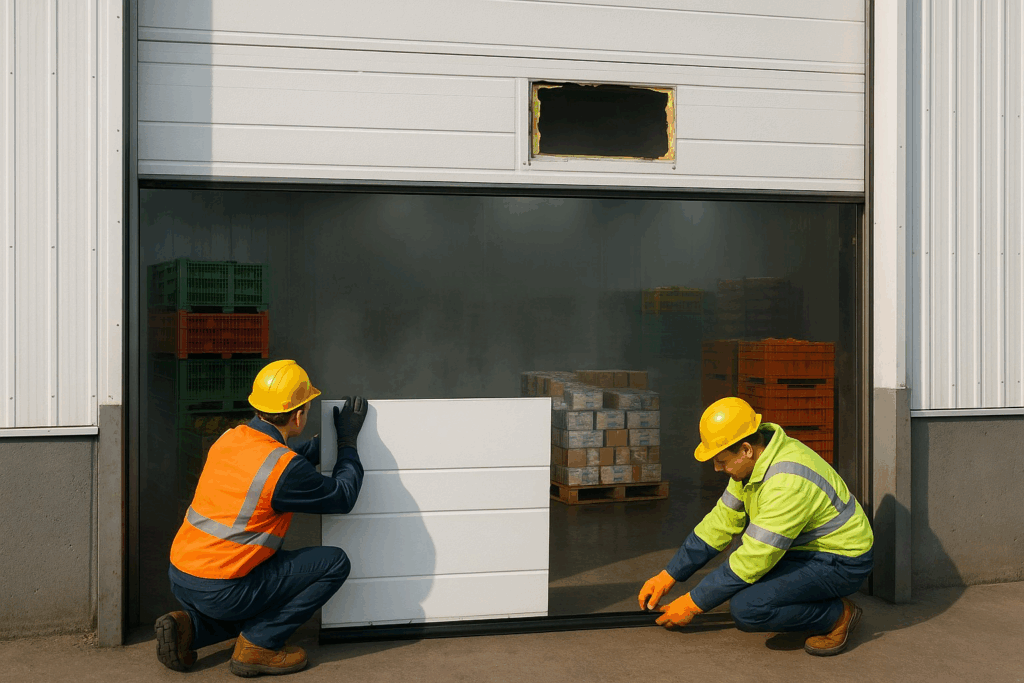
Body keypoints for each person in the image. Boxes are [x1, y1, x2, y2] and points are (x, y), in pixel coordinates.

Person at [154, 360, 367, 677]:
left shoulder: (231, 438)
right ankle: (259, 645)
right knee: (334, 563)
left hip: (183, 575)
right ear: (298, 415)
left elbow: (277, 464)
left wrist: (320, 446)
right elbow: (342, 495)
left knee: (262, 593)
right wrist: (347, 443)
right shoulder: (283, 469)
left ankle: (191, 630)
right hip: (222, 588)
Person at [638, 397, 873, 656]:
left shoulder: (787, 482)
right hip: (803, 549)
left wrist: (692, 604)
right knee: (737, 585)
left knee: (749, 609)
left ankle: (837, 616)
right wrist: (670, 574)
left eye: (721, 460)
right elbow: (720, 523)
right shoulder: (752, 467)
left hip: (841, 561)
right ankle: (809, 601)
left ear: (746, 449)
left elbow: (752, 559)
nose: (717, 468)